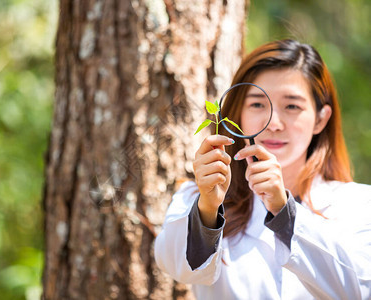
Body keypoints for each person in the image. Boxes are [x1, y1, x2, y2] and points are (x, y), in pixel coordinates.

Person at [154, 39, 371, 299]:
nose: (274, 123)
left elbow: (359, 288)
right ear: (237, 115)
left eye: (292, 106)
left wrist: (284, 212)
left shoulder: (360, 205)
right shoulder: (197, 199)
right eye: (257, 104)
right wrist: (208, 209)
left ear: (320, 119)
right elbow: (176, 266)